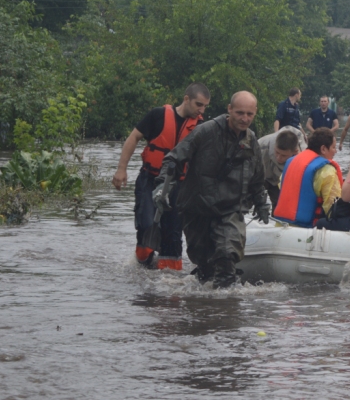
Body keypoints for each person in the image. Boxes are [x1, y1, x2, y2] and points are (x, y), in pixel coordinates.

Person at [153, 91, 269, 288]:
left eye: (250, 114)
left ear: (255, 112)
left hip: (231, 208)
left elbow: (257, 178)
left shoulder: (251, 142)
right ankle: (205, 309)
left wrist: (261, 202)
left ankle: (226, 307)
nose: (245, 119)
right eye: (240, 113)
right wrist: (162, 187)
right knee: (203, 262)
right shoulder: (205, 131)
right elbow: (174, 158)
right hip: (197, 206)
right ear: (229, 109)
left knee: (226, 253)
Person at [112, 83, 210, 270]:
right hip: (150, 179)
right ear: (186, 99)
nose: (201, 110)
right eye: (199, 104)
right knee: (147, 223)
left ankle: (169, 284)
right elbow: (133, 138)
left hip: (179, 186)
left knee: (172, 236)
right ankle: (144, 262)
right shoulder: (157, 115)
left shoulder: (200, 127)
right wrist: (121, 169)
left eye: (205, 106)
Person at [272, 128, 343, 227]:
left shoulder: (291, 161)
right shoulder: (327, 171)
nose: (335, 151)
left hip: (280, 224)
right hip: (306, 231)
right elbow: (332, 207)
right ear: (323, 149)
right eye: (333, 147)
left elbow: (281, 186)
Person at [255, 126, 305, 207]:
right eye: (277, 152)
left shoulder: (301, 153)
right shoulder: (260, 146)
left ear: (294, 152)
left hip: (278, 181)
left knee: (281, 206)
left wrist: (298, 161)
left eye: (283, 155)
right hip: (261, 176)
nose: (278, 157)